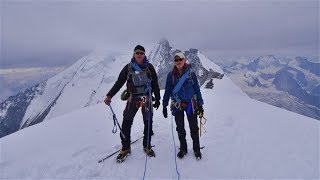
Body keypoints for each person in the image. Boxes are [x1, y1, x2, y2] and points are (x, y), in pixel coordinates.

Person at [104, 45, 161, 161]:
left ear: (144, 55)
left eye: (141, 53)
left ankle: (147, 146)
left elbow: (155, 83)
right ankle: (125, 147)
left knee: (148, 122)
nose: (139, 55)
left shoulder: (149, 67)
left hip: (146, 97)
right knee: (126, 122)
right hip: (133, 98)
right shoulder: (128, 68)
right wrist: (110, 95)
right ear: (134, 54)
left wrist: (158, 98)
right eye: (137, 53)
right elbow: (119, 82)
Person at [162, 52, 204, 159]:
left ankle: (196, 149)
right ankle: (183, 148)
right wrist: (164, 105)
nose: (178, 61)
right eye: (176, 60)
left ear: (184, 60)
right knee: (180, 128)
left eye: (180, 59)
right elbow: (167, 91)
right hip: (178, 105)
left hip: (190, 104)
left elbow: (197, 90)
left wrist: (200, 104)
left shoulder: (191, 74)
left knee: (194, 128)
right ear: (174, 62)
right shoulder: (170, 76)